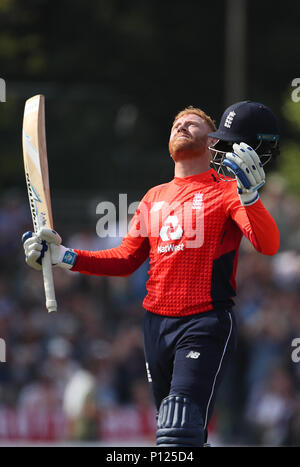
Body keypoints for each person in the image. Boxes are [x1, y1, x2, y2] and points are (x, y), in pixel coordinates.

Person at [22, 101, 280, 447]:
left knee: (180, 430)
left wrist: (250, 198)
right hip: (155, 326)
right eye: (178, 123)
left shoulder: (227, 191)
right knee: (173, 431)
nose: (182, 126)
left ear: (212, 142)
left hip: (204, 323)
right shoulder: (153, 197)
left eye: (193, 124)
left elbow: (268, 244)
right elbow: (126, 258)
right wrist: (64, 256)